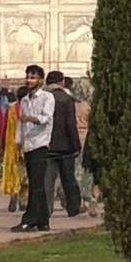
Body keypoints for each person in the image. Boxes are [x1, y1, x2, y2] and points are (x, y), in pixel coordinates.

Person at [13, 65, 54, 231]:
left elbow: (46, 118)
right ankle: (43, 220)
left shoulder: (47, 98)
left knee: (36, 183)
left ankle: (29, 218)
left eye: (33, 77)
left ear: (41, 80)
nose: (29, 80)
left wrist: (30, 118)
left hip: (40, 144)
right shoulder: (24, 100)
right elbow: (20, 123)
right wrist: (18, 143)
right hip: (28, 145)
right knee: (36, 182)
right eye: (28, 77)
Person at [44, 70, 84, 219]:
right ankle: (73, 207)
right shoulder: (66, 99)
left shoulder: (42, 97)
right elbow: (70, 124)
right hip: (66, 146)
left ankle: (46, 209)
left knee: (47, 180)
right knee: (68, 178)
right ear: (61, 82)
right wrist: (76, 145)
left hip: (47, 145)